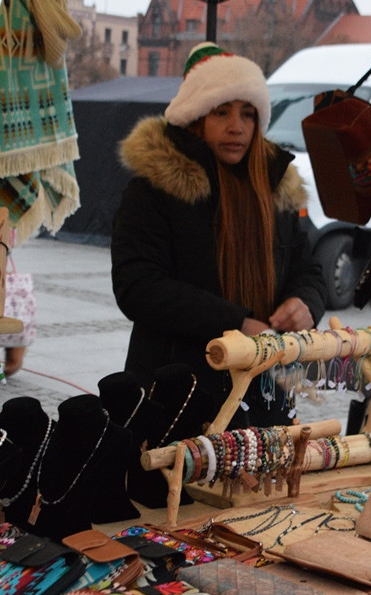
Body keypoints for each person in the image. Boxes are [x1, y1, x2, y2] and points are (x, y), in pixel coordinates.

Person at [111, 42, 327, 427]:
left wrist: (305, 302)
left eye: (248, 113)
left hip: (260, 388)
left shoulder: (276, 187)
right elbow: (137, 286)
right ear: (196, 117)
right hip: (178, 391)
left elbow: (307, 268)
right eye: (221, 111)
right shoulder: (156, 188)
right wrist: (235, 323)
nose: (236, 127)